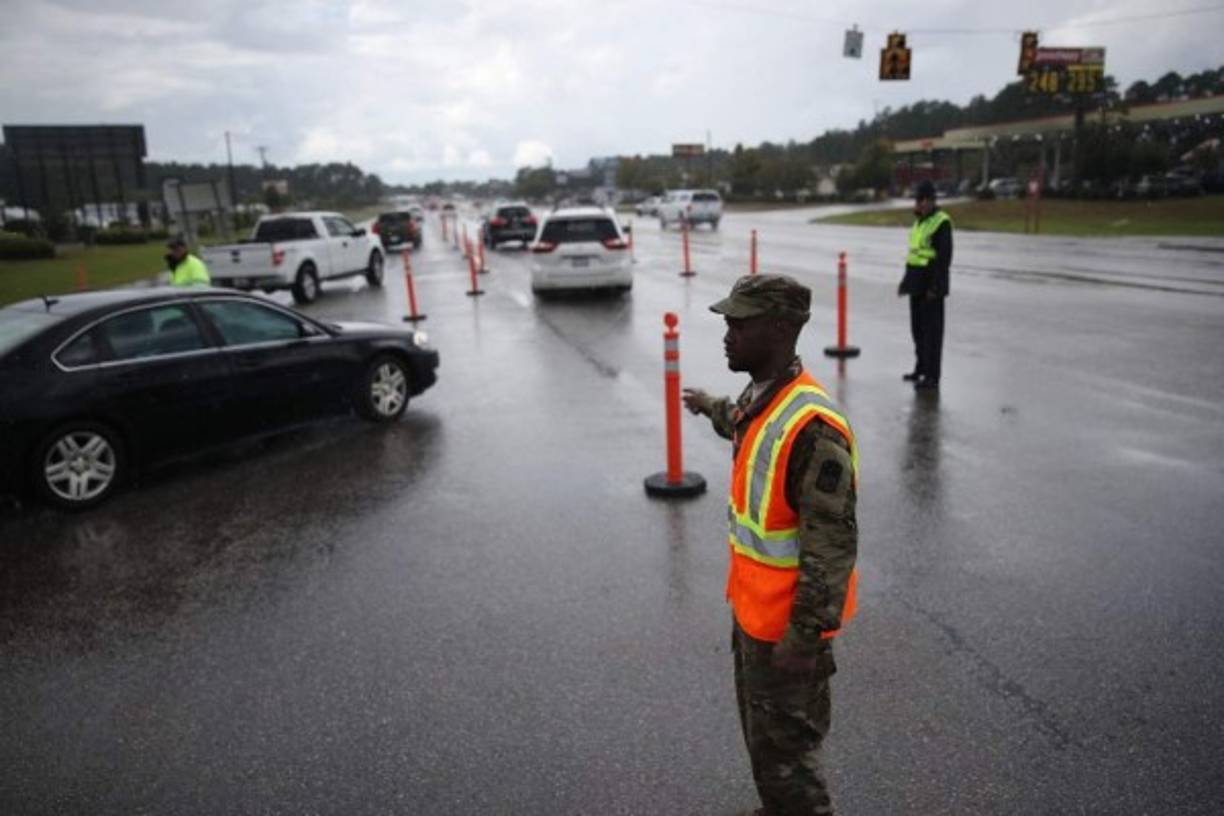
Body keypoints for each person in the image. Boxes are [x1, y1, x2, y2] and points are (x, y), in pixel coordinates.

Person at [682, 274, 859, 816]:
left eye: (740, 323)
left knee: (789, 753)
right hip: (756, 618)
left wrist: (804, 639)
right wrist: (708, 404)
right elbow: (739, 423)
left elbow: (831, 548)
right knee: (766, 742)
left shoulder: (812, 428)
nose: (727, 334)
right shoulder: (764, 396)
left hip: (787, 632)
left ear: (781, 329)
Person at [897, 180, 953, 390]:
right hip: (916, 286)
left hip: (931, 288)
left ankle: (932, 376)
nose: (918, 203)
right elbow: (914, 255)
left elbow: (944, 259)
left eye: (921, 199)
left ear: (931, 200)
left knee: (932, 334)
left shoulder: (941, 222)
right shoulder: (919, 222)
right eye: (916, 199)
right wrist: (905, 282)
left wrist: (935, 288)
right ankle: (920, 369)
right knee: (918, 331)